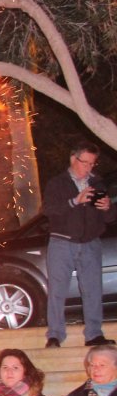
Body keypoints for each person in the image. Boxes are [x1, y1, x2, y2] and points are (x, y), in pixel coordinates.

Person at [43, 142, 116, 348]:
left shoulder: (98, 183)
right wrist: (75, 201)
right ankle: (55, 334)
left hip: (90, 243)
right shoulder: (57, 183)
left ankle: (93, 334)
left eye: (93, 164)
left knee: (93, 289)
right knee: (57, 290)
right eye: (85, 163)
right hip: (62, 243)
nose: (89, 168)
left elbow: (109, 218)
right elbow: (49, 210)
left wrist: (108, 207)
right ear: (73, 159)